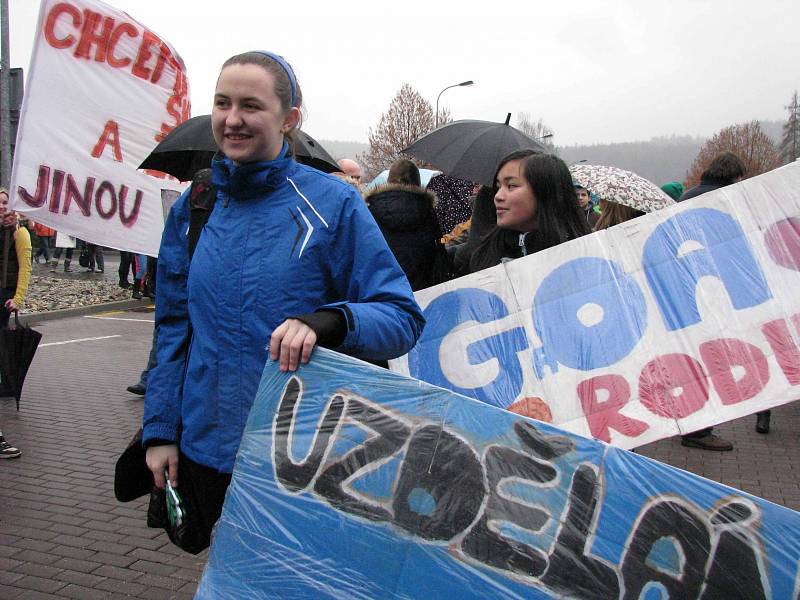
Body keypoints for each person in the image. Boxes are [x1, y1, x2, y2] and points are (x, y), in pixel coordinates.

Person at [143, 51, 424, 546]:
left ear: (289, 118)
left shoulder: (331, 203)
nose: (232, 119)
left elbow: (402, 318)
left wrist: (327, 322)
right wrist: (162, 430)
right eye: (222, 103)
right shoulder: (196, 205)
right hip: (206, 450)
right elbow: (173, 327)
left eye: (251, 105)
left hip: (303, 461)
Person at [677, 152, 747, 451]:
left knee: (691, 359)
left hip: (686, 291)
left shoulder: (689, 196)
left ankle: (688, 420)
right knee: (710, 360)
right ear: (733, 176)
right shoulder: (726, 199)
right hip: (712, 291)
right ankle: (699, 429)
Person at [466, 151, 591, 274]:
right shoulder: (484, 253)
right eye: (498, 187)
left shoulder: (587, 256)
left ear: (545, 191)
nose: (498, 196)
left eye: (511, 186)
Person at [365, 158, 450, 291]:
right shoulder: (427, 212)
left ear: (389, 181)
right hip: (424, 290)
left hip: (384, 291)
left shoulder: (370, 212)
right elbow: (439, 252)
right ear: (417, 182)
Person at [0, 188, 32, 459]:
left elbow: (26, 267)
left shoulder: (19, 233)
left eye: (5, 203)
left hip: (4, 298)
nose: (2, 207)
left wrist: (18, 298)